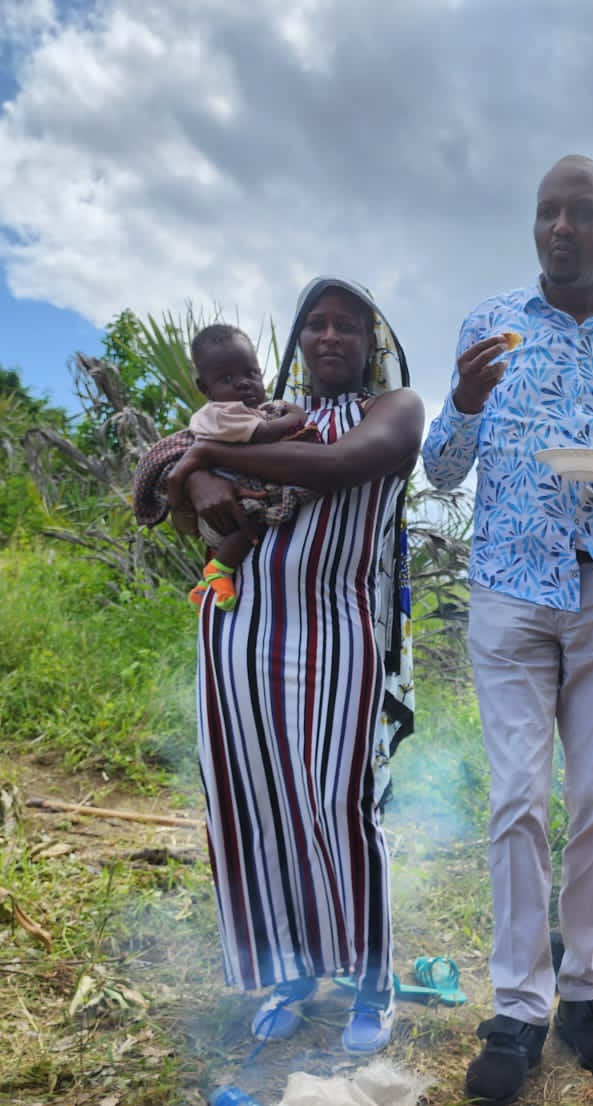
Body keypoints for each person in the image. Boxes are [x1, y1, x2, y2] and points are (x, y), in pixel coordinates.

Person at [422, 155, 593, 1106]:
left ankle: (590, 991)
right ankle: (519, 1006)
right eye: (546, 214)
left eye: (582, 213)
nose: (560, 227)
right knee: (519, 799)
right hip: (509, 588)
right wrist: (465, 404)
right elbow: (443, 472)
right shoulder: (490, 328)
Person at [160, 278, 424, 1053]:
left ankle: (370, 983)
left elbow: (350, 465)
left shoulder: (391, 409)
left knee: (338, 805)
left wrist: (203, 454)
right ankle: (289, 973)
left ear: (373, 340)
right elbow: (185, 507)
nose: (330, 336)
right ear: (298, 340)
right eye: (316, 323)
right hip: (239, 627)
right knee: (253, 803)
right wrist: (201, 472)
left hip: (336, 629)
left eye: (348, 325)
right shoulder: (249, 421)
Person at [134, 324, 315, 610]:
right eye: (227, 377)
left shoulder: (245, 410)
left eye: (251, 373)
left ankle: (210, 581)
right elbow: (265, 435)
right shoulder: (222, 414)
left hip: (225, 497)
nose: (243, 383)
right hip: (225, 506)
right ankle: (218, 571)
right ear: (205, 388)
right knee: (255, 519)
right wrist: (296, 415)